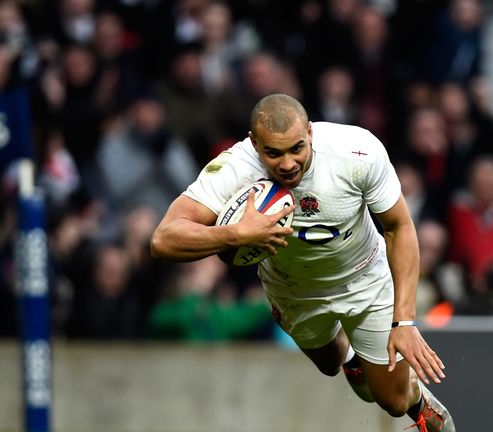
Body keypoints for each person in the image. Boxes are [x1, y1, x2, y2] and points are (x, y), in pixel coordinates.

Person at [150, 93, 454, 431]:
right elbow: (163, 239)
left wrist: (405, 322)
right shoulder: (233, 169)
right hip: (293, 290)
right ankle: (352, 359)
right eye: (273, 153)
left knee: (394, 402)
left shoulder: (356, 151)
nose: (288, 164)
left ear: (310, 133)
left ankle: (429, 411)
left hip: (365, 277)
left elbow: (399, 226)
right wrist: (237, 234)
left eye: (297, 148)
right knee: (330, 363)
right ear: (254, 144)